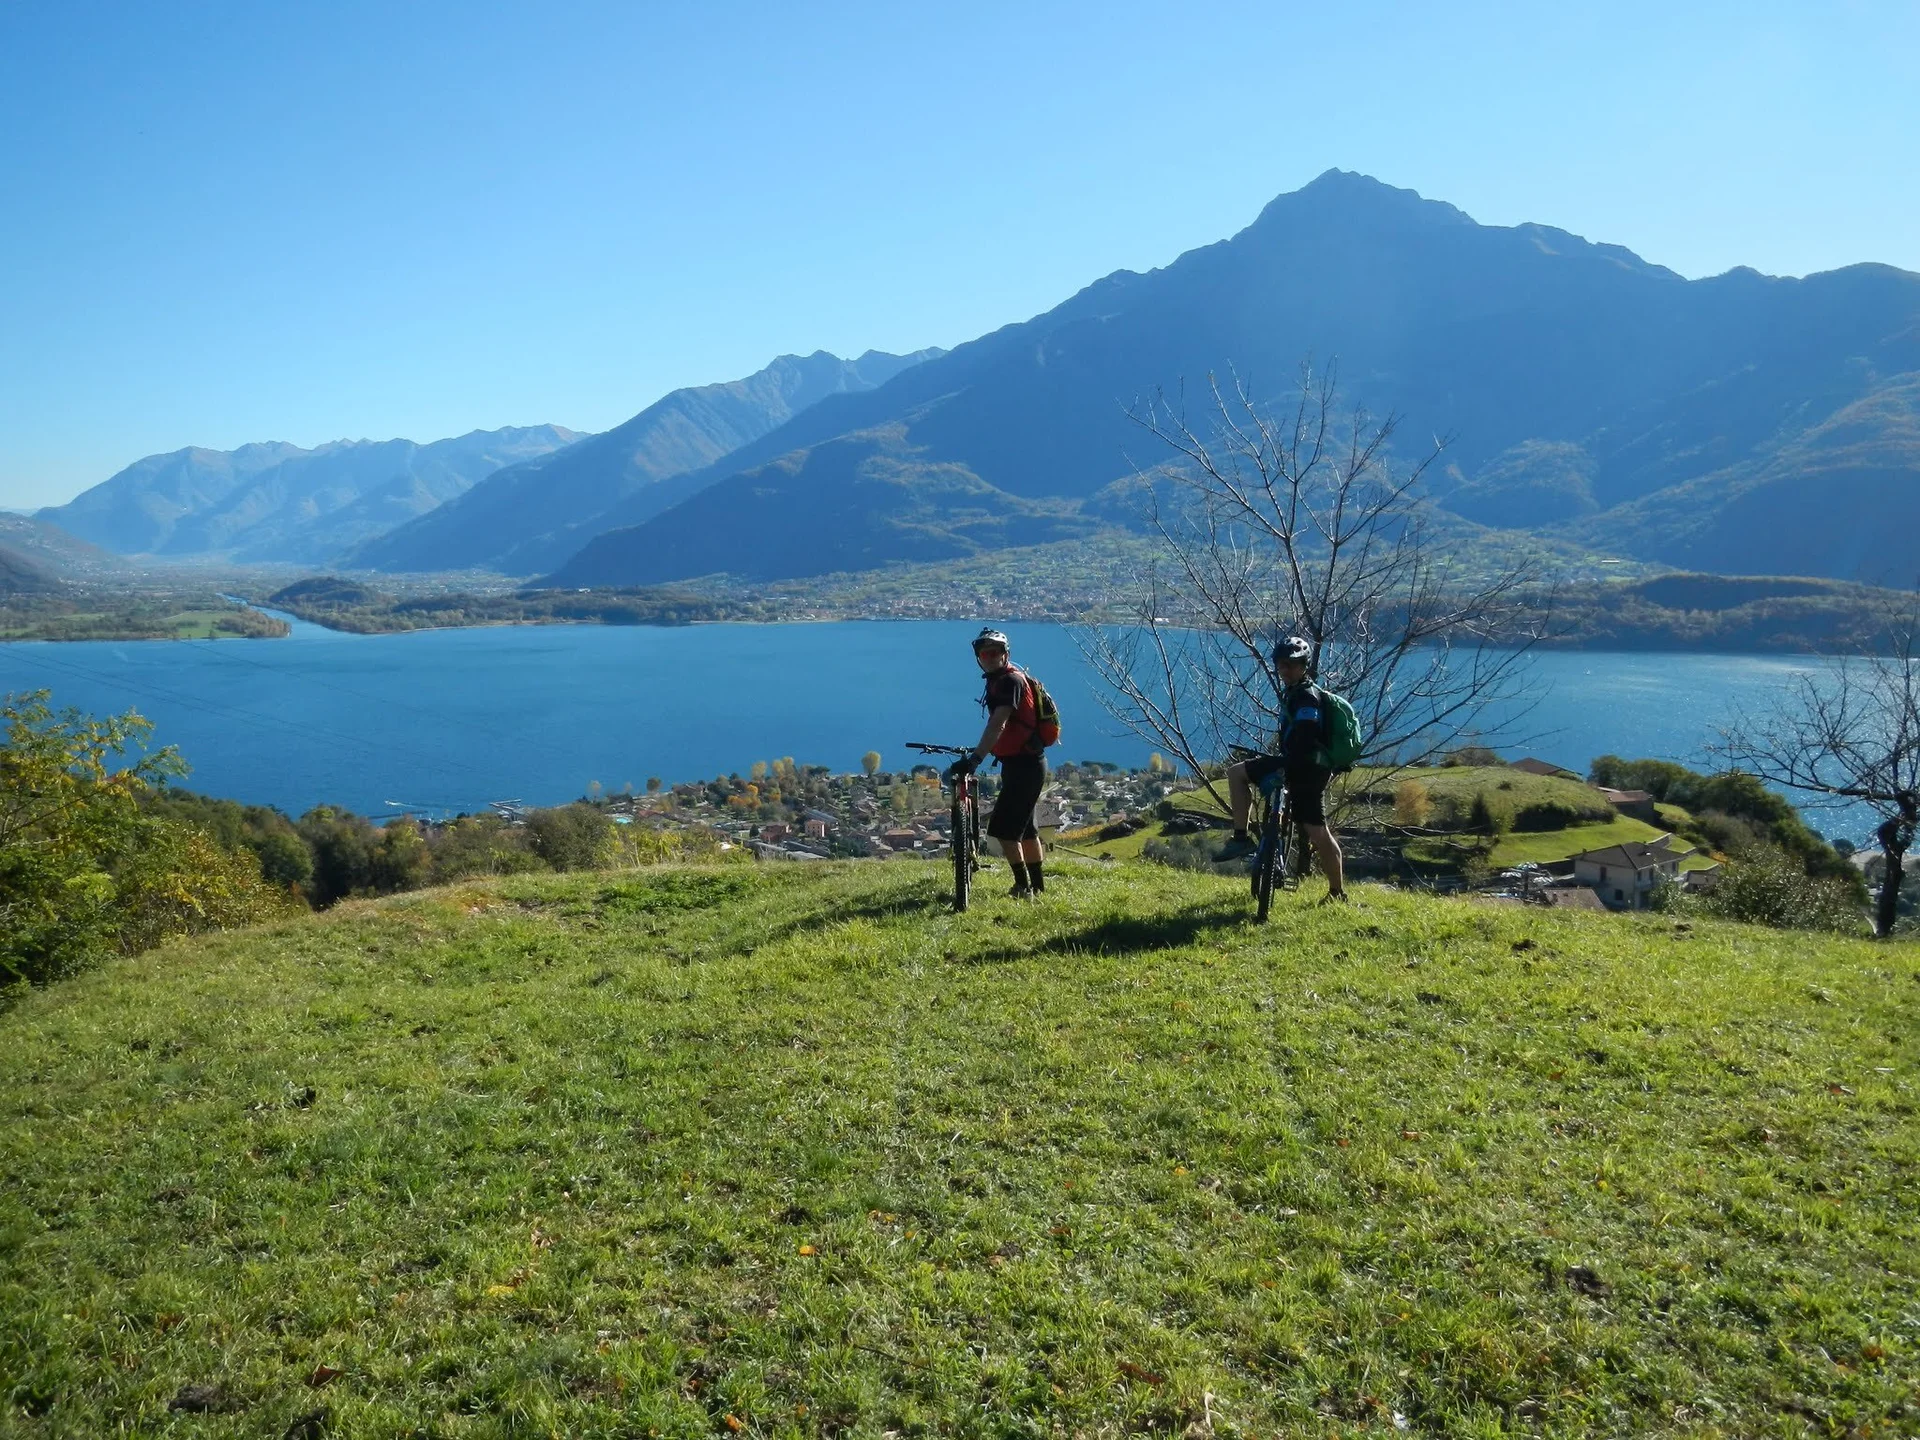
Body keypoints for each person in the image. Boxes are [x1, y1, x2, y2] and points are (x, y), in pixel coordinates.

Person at [1214, 635, 1347, 901]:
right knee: (1317, 831)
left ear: (1304, 666)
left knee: (1236, 773)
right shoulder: (1300, 692)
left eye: (1291, 665)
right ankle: (1336, 892)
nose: (1284, 670)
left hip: (1303, 767)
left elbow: (1305, 738)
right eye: (1281, 665)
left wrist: (1283, 764)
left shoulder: (1307, 698)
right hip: (1313, 769)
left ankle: (1240, 838)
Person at [946, 627, 1048, 897]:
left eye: (995, 652)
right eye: (984, 653)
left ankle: (1022, 887)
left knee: (1003, 830)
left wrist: (975, 759)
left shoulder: (1009, 682)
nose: (989, 657)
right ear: (978, 657)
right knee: (1027, 829)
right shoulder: (1003, 679)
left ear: (1006, 654)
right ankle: (1038, 887)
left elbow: (998, 723)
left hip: (1024, 766)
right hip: (1024, 764)